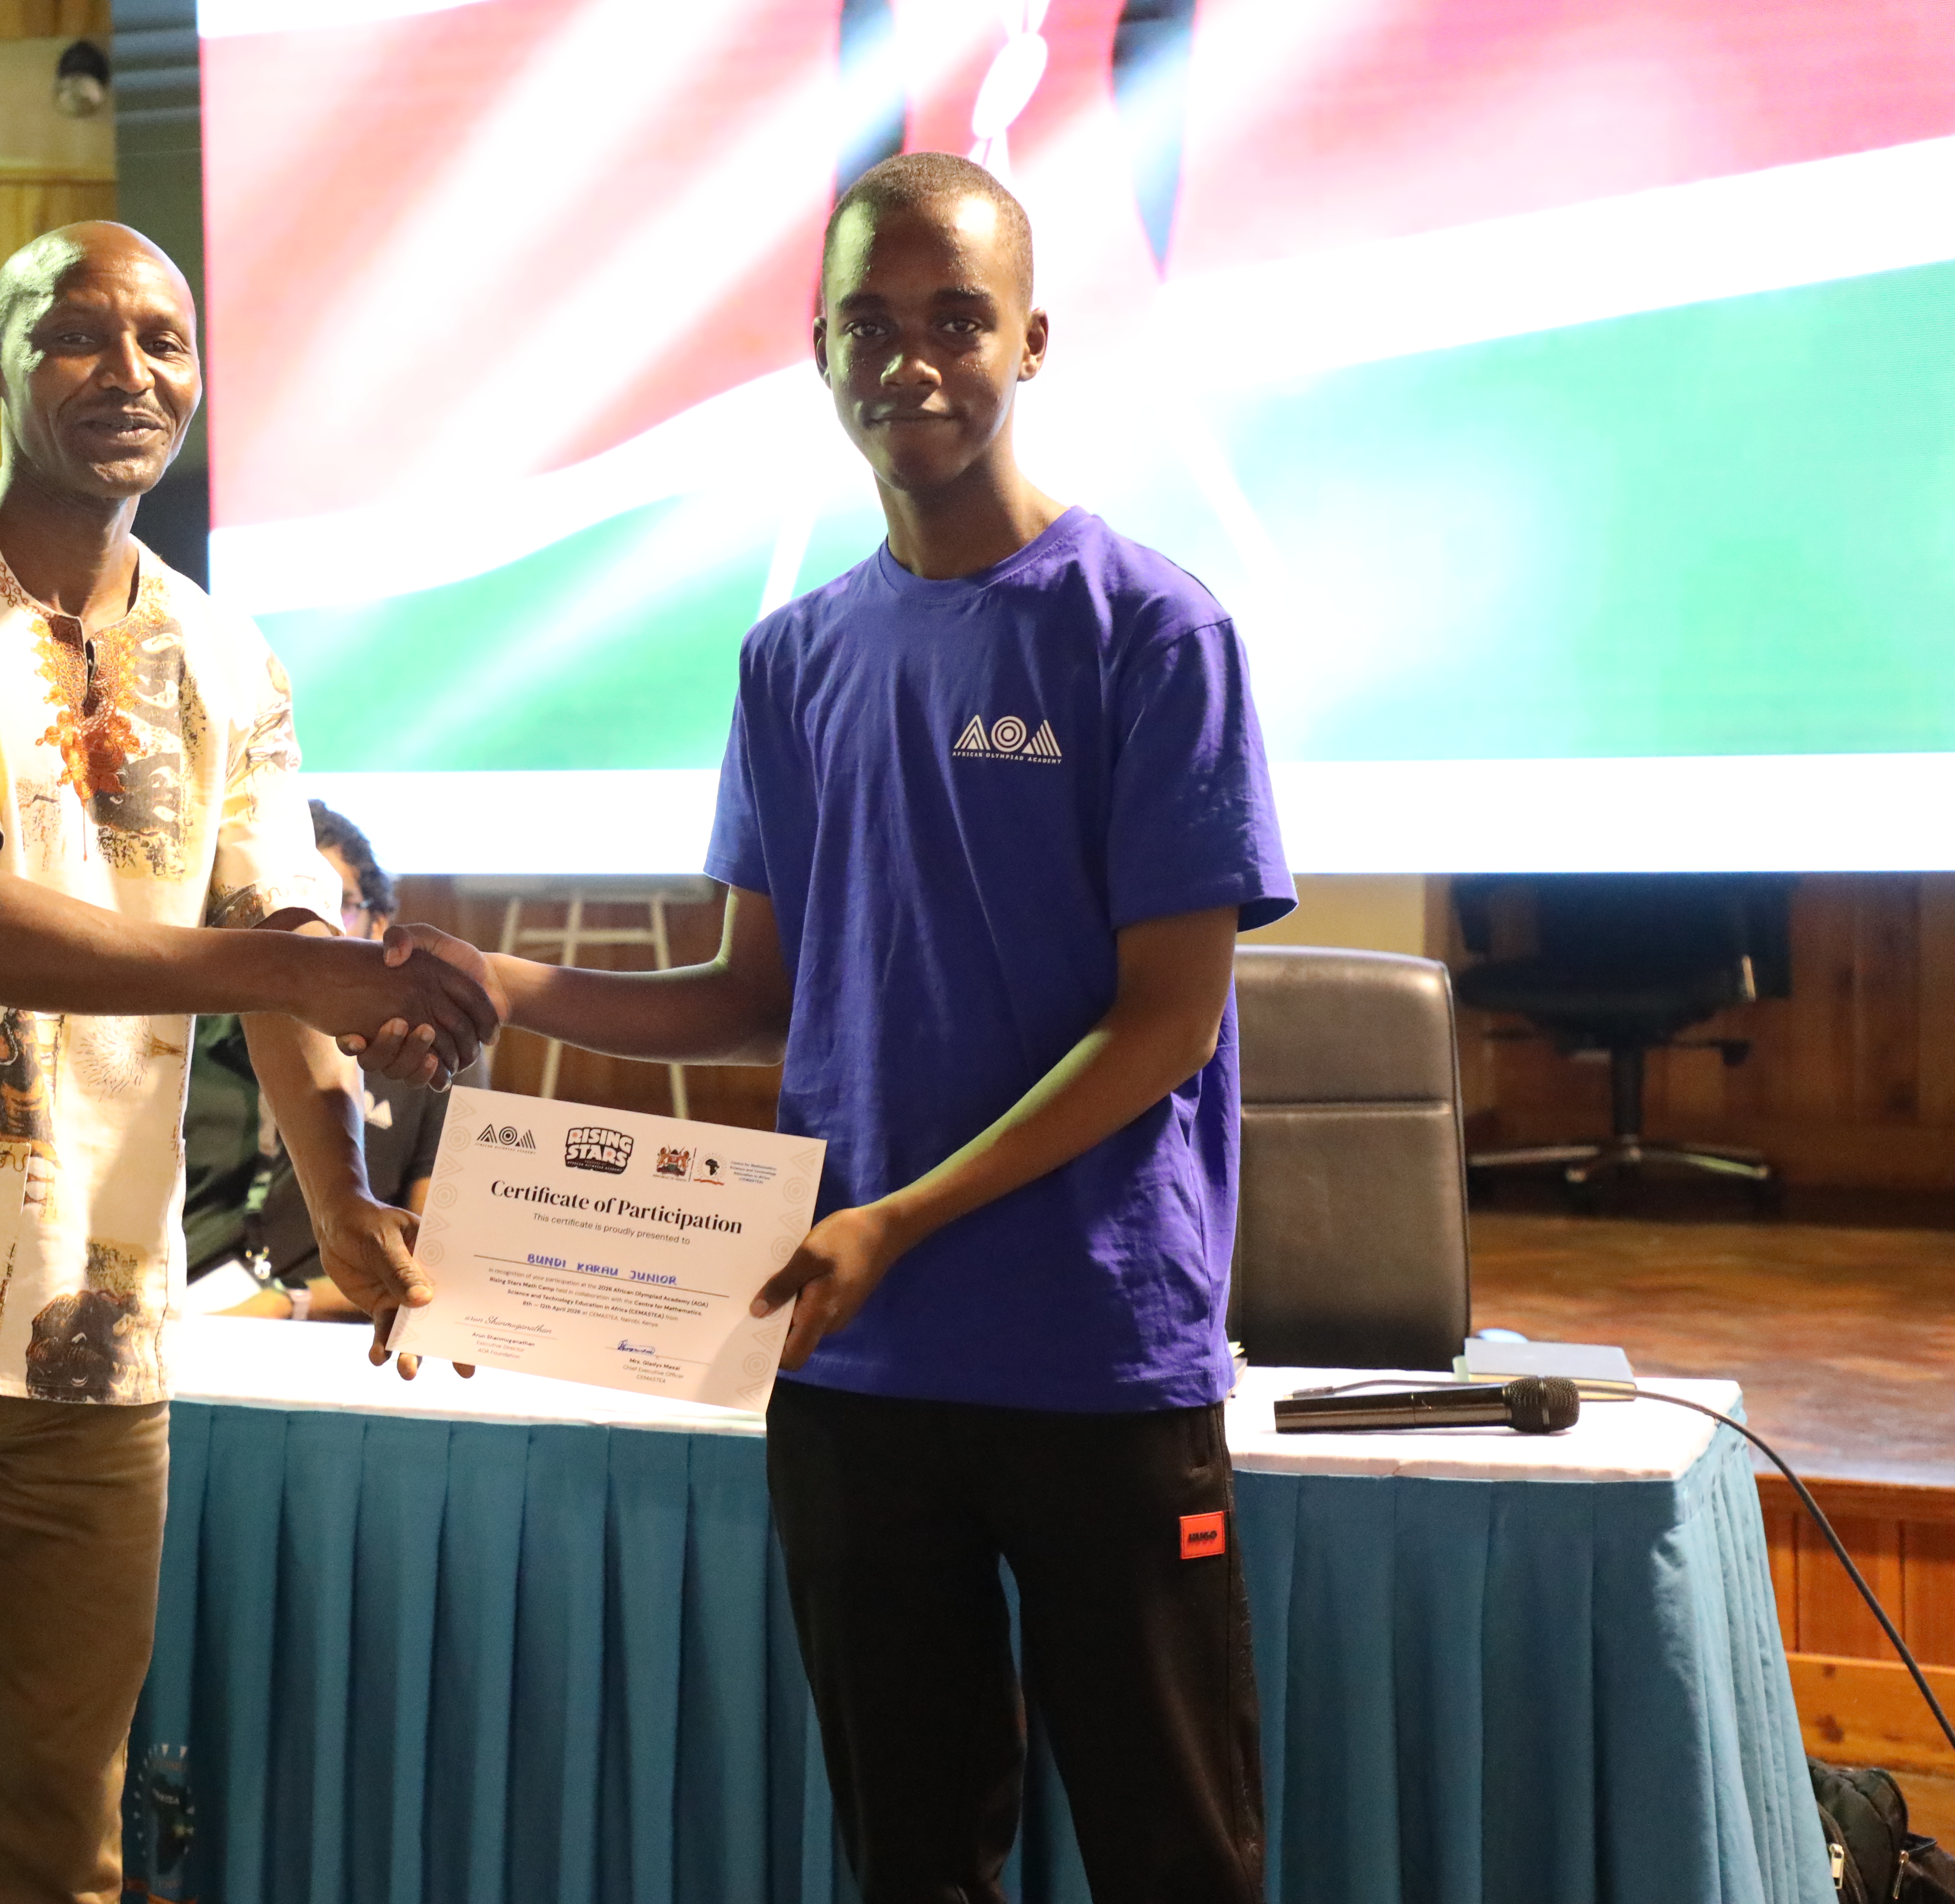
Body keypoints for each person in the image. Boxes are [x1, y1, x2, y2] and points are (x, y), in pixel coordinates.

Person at [376, 153, 1293, 1902]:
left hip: (1097, 1353)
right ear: (818, 350)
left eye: (960, 319)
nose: (915, 362)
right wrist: (507, 992)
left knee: (1178, 1859)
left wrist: (902, 1216)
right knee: (913, 1863)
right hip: (852, 1364)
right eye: (872, 325)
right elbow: (753, 995)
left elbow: (1168, 1025)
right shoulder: (792, 654)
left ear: (1033, 336)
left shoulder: (1154, 630)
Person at [0, 221, 498, 1904]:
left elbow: (294, 961)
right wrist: (299, 963)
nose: (128, 371)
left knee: (64, 1845)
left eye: (164, 340)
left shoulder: (227, 658)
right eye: (76, 335)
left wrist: (348, 1207)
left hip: (98, 1333)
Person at [181, 800, 485, 1321]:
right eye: (284, 917)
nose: (315, 937)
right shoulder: (186, 1036)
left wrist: (291, 1304)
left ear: (381, 924)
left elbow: (438, 1264)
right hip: (185, 1320)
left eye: (335, 906)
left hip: (331, 1332)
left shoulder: (430, 1057)